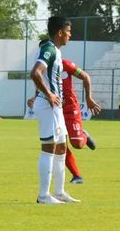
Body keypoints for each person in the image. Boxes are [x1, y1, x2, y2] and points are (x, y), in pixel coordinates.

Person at [29, 16, 79, 204]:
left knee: (61, 148)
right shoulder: (49, 48)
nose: (70, 35)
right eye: (68, 31)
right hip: (48, 104)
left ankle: (59, 192)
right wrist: (49, 94)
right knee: (49, 147)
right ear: (59, 32)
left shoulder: (55, 51)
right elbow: (35, 72)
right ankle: (43, 195)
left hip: (55, 106)